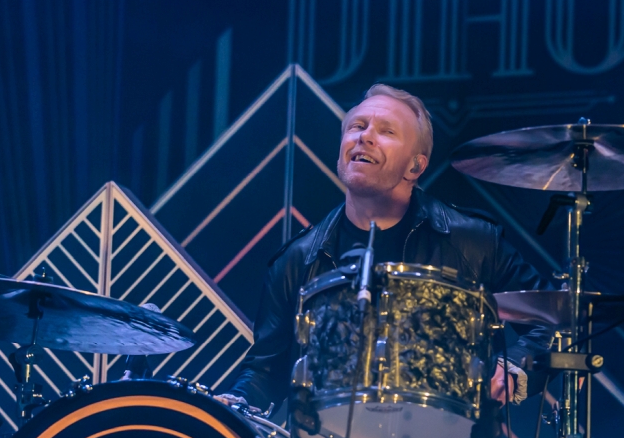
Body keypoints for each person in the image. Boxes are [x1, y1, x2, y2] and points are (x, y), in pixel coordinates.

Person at [216, 84, 552, 417]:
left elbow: (555, 321)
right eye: (357, 126)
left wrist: (511, 369)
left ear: (415, 167)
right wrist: (234, 401)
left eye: (386, 131)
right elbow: (266, 371)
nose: (365, 136)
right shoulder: (298, 259)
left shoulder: (473, 242)